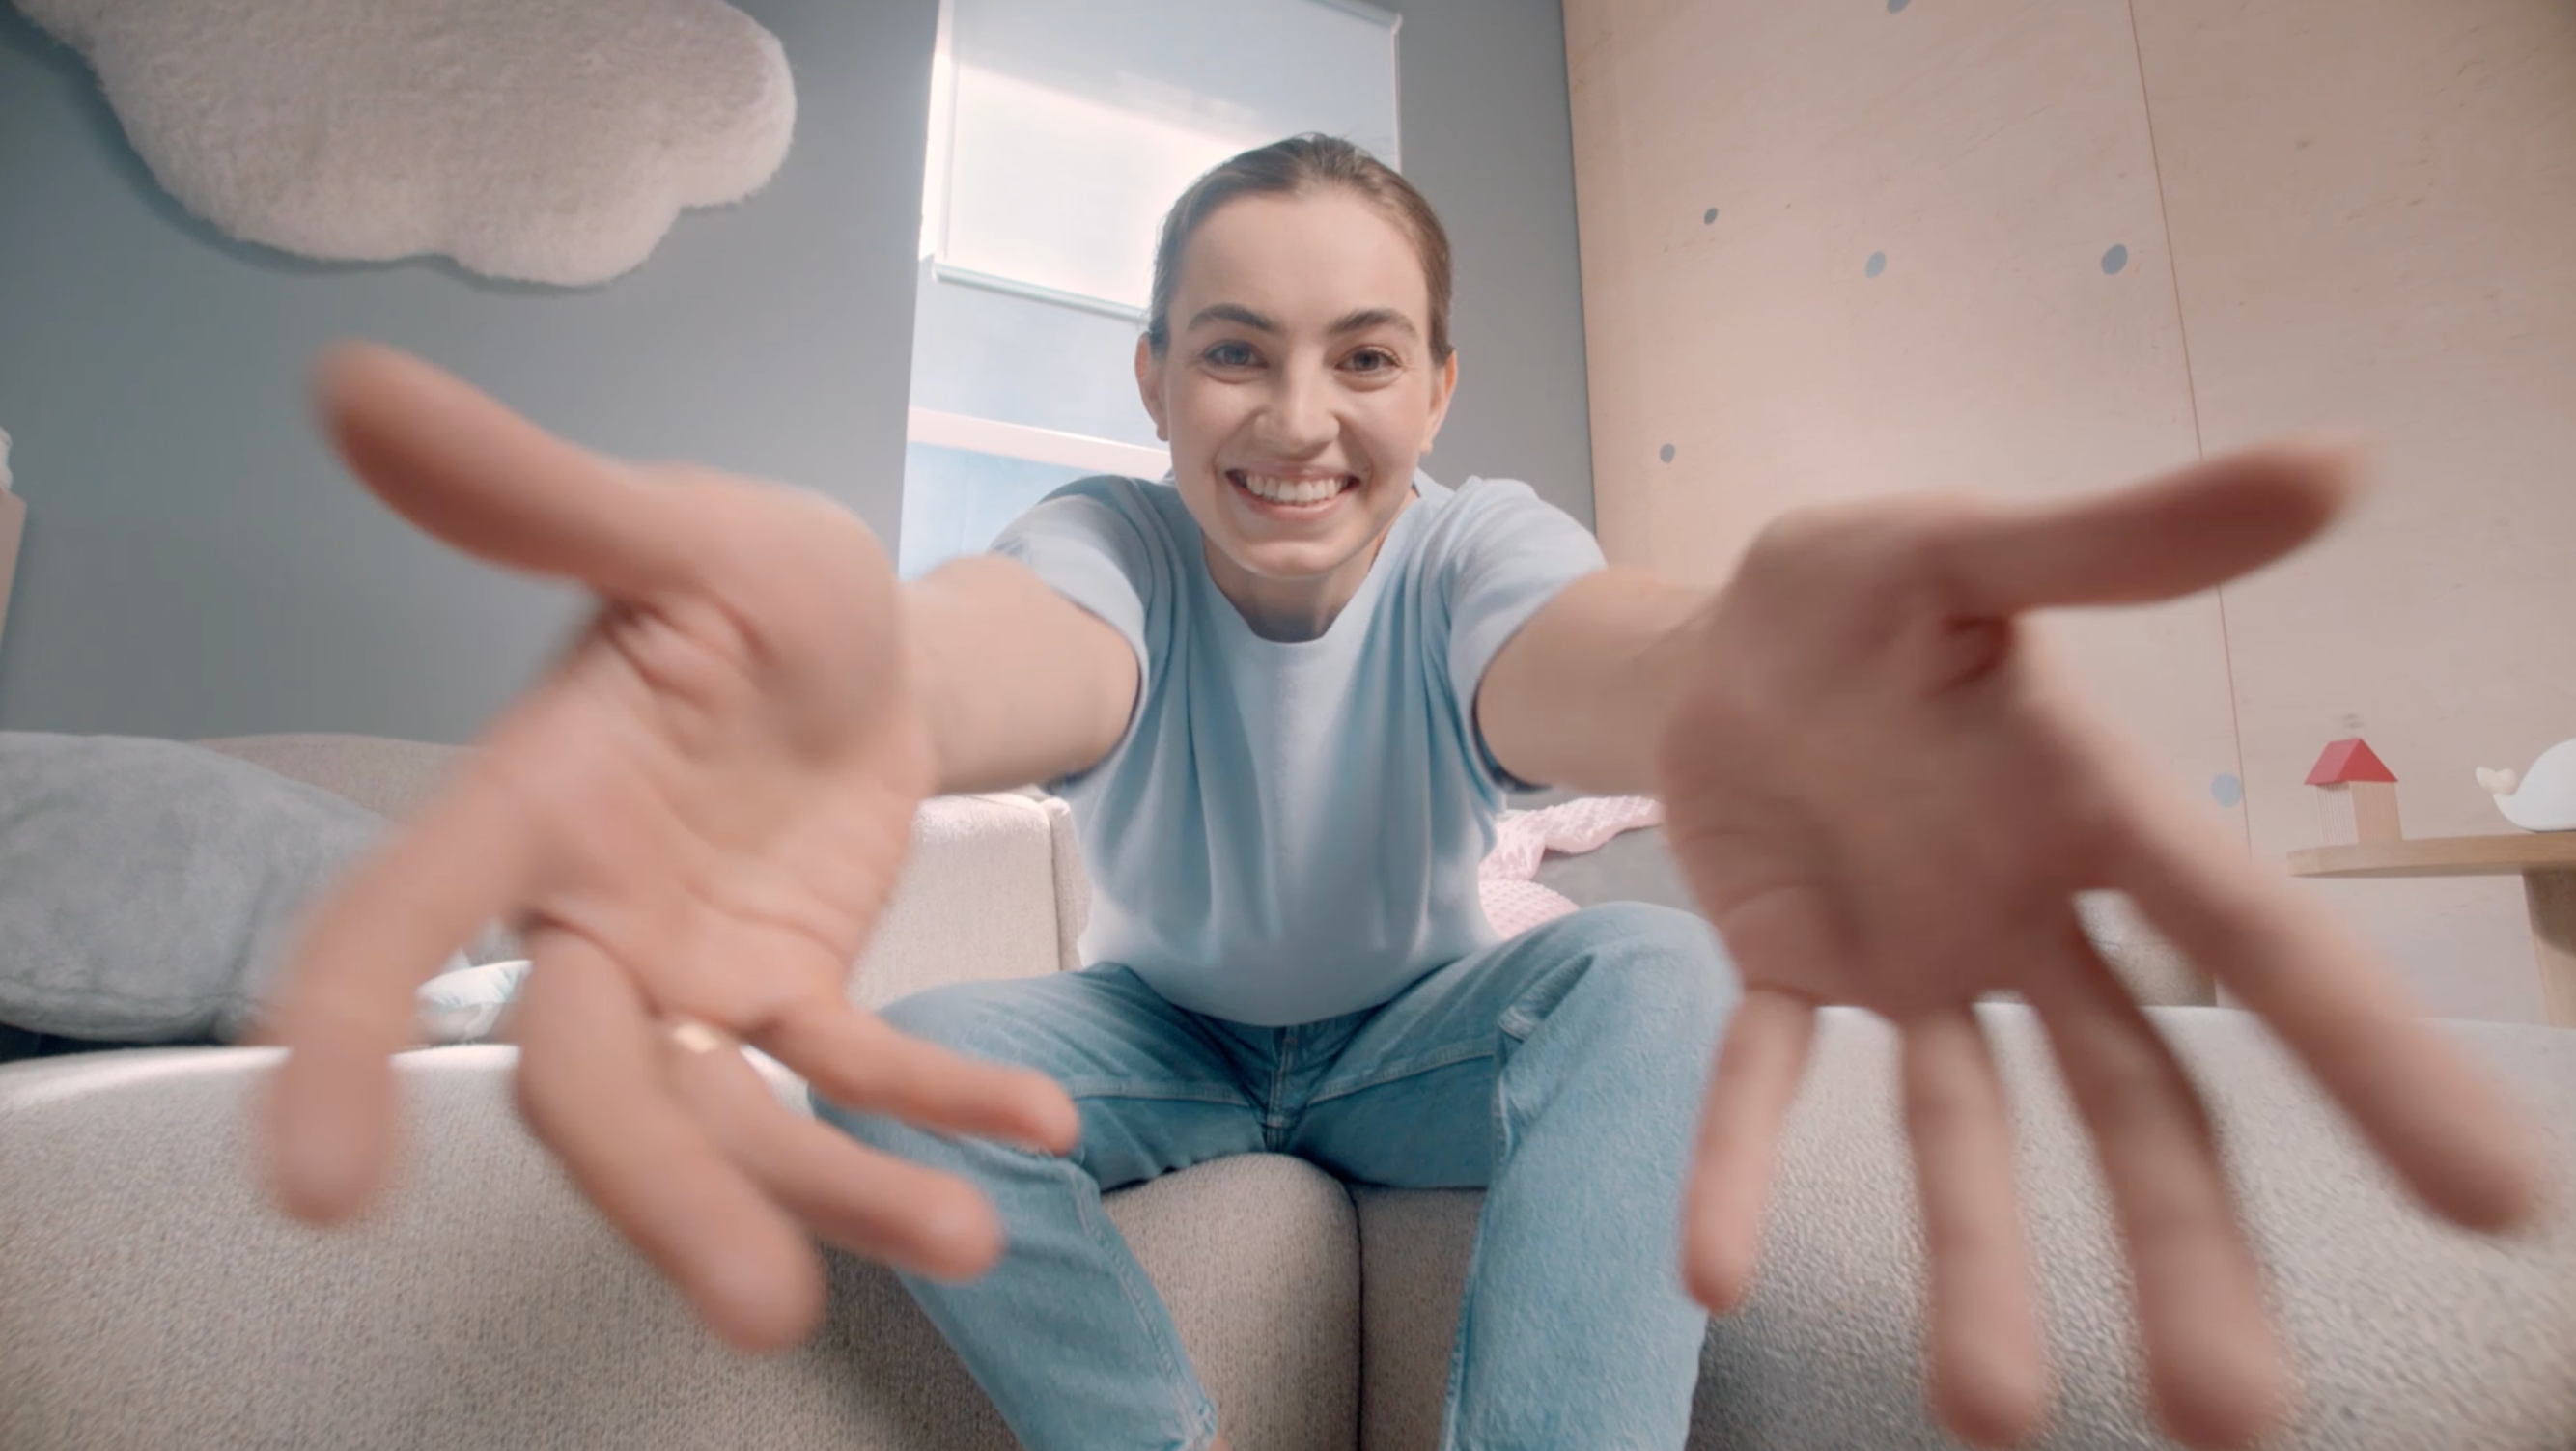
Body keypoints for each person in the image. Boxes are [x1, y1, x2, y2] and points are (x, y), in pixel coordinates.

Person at [253, 135, 2539, 1451]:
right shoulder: (1103, 539)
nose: (1294, 417)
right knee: (892, 1047)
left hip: (1419, 1026)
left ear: (1435, 386)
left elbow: (1596, 656)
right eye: (1231, 354)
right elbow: (1013, 647)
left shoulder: (1475, 547)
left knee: (1643, 969)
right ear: (1155, 383)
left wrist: (1744, 679)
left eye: (1360, 356)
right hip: (1162, 1031)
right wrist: (854, 692)